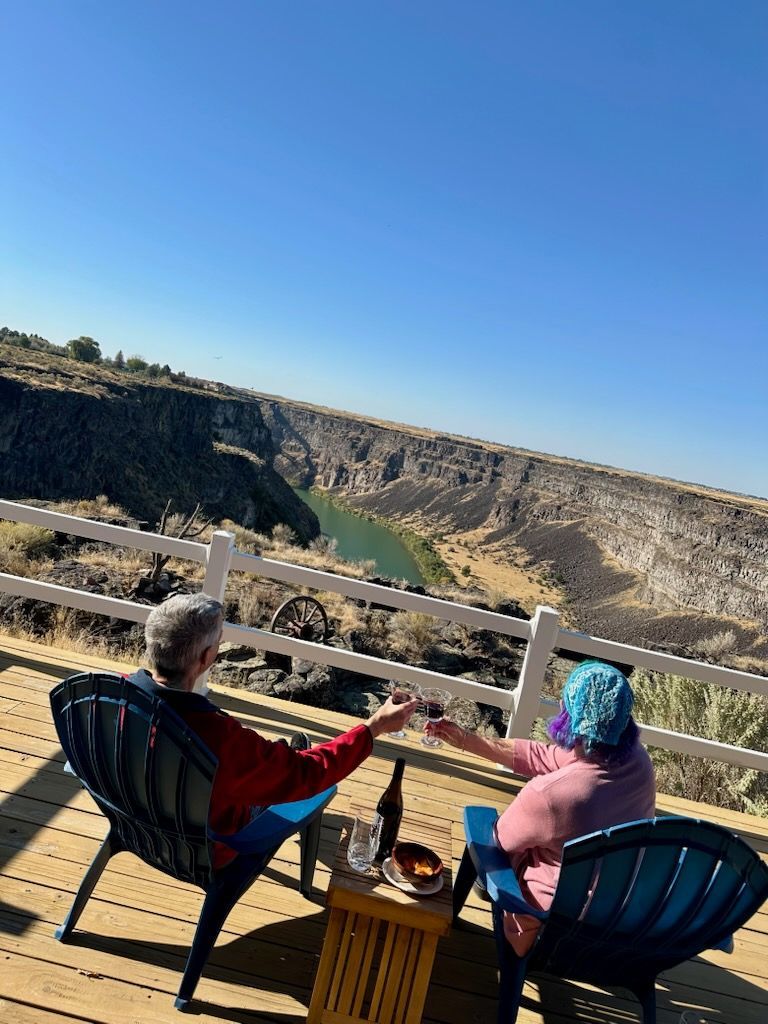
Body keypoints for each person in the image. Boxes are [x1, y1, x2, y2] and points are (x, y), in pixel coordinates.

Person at [130, 592, 419, 867]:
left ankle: (282, 751)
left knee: (270, 758)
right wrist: (374, 726)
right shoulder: (219, 738)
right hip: (205, 851)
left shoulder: (110, 698)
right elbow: (309, 774)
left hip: (137, 827)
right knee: (289, 767)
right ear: (206, 657)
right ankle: (287, 752)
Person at [425, 660, 656, 955]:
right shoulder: (639, 764)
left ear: (567, 714)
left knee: (486, 833)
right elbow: (549, 757)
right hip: (612, 926)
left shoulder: (549, 795)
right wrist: (468, 741)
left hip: (549, 933)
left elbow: (498, 844)